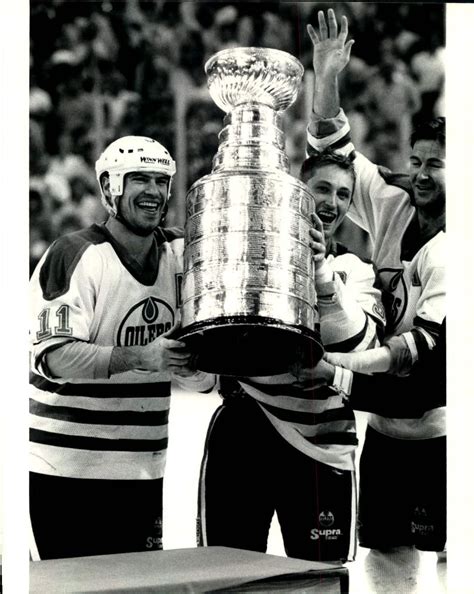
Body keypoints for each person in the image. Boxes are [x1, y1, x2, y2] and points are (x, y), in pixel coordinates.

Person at [29, 135, 215, 560]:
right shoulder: (74, 253)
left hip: (143, 469)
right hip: (67, 469)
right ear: (110, 187)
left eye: (160, 181)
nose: (153, 191)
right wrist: (141, 357)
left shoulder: (181, 254)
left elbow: (205, 377)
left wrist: (194, 367)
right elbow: (53, 357)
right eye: (139, 180)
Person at [197, 150, 385, 563]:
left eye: (343, 194)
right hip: (244, 431)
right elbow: (210, 358)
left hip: (322, 441)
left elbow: (357, 345)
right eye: (321, 188)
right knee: (225, 575)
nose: (331, 203)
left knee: (320, 579)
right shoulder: (247, 257)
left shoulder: (356, 269)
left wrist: (318, 272)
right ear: (299, 192)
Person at [305, 10, 446, 552]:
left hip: (440, 429)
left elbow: (420, 350)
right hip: (383, 429)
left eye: (438, 163)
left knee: (446, 568)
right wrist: (327, 75)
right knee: (385, 564)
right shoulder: (395, 204)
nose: (423, 173)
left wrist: (338, 368)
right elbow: (332, 159)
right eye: (417, 161)